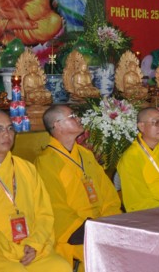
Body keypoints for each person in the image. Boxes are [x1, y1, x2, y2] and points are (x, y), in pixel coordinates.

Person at [0, 110, 71, 272]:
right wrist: (13, 251)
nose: (6, 134)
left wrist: (34, 244)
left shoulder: (27, 169)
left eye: (10, 128)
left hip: (30, 248)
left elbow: (44, 213)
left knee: (61, 267)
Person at [35, 105, 121, 268]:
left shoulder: (86, 154)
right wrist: (90, 230)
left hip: (101, 225)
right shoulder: (46, 162)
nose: (79, 119)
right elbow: (54, 206)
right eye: (73, 116)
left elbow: (108, 192)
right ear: (57, 125)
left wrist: (110, 220)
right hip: (75, 234)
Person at [117, 107, 159, 212]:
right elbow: (138, 199)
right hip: (153, 213)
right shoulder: (131, 157)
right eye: (156, 122)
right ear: (141, 126)